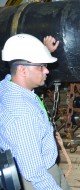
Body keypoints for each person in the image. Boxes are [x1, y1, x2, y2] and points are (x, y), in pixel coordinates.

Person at [0, 33, 71, 190]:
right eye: (41, 66)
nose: (46, 71)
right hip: (38, 179)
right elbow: (35, 173)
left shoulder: (6, 86)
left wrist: (44, 51)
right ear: (23, 70)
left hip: (42, 168)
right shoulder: (22, 115)